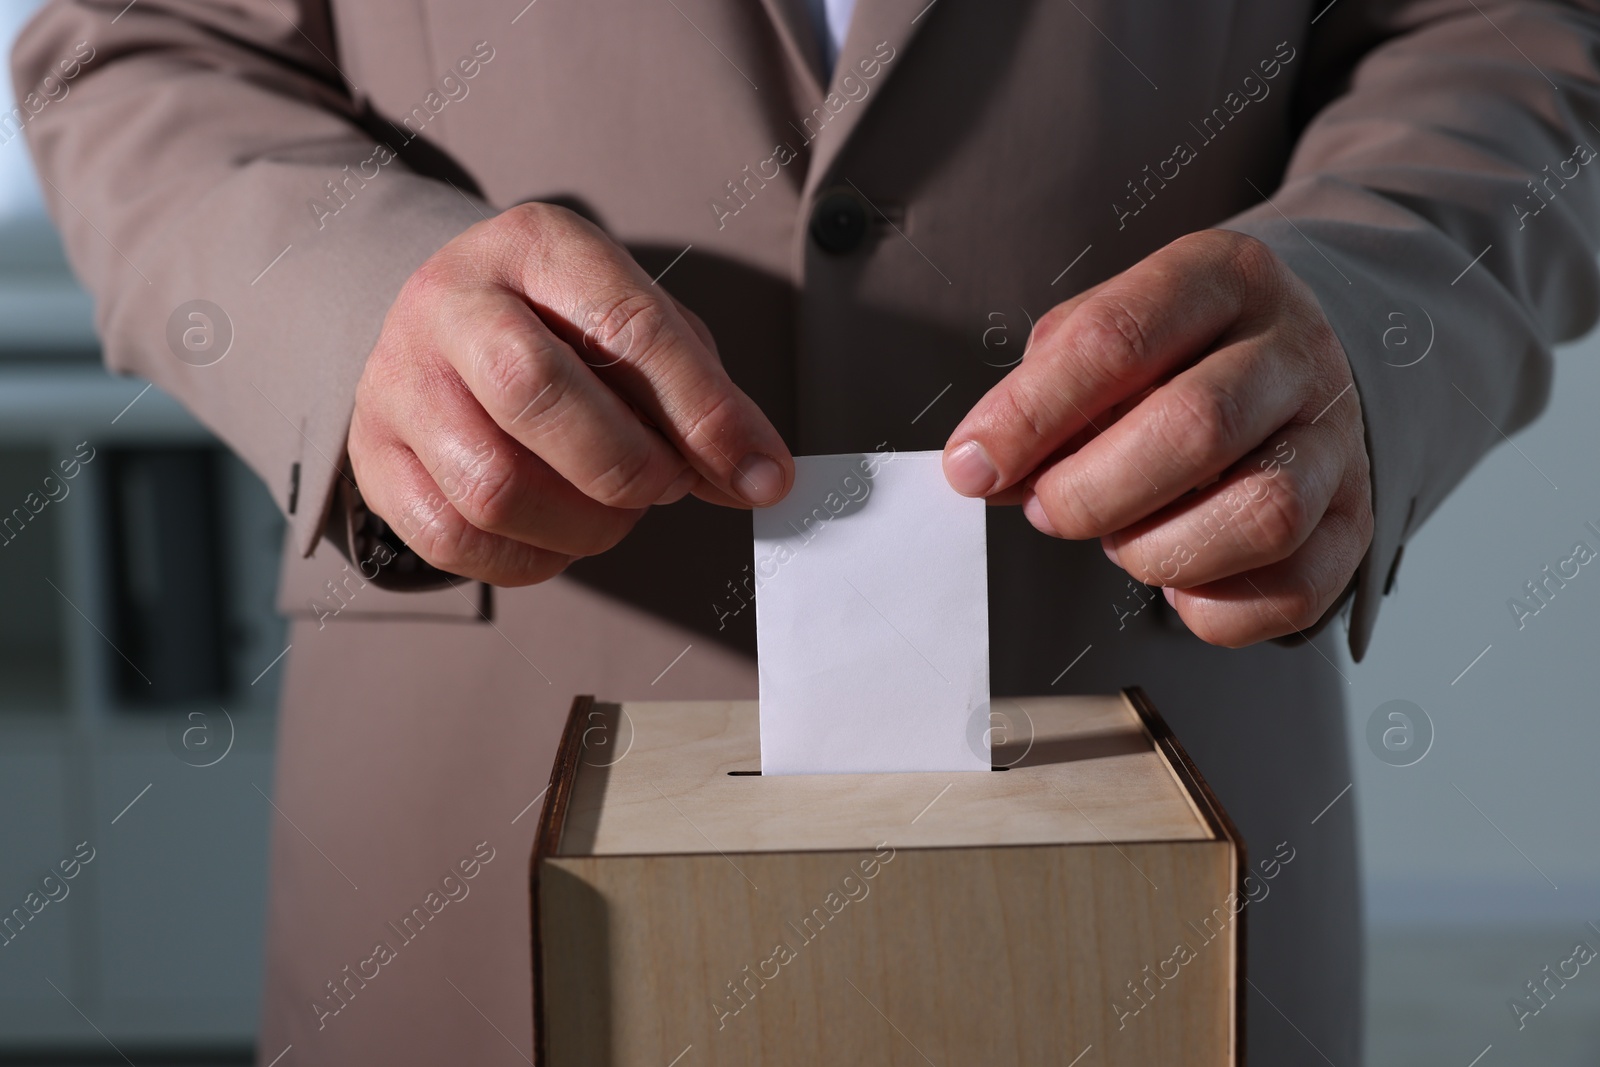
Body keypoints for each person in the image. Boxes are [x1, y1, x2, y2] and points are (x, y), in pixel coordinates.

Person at [14, 0, 1600, 1062]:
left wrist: (1373, 310)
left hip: (1154, 805)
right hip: (473, 842)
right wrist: (352, 304)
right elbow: (137, 46)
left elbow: (1514, 33)